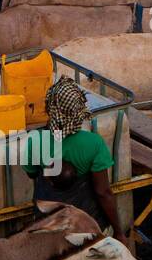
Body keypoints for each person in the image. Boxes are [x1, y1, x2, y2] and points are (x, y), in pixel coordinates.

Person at [22, 77, 127, 243]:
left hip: (47, 226)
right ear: (78, 109)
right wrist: (119, 232)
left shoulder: (34, 141)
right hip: (87, 228)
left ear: (50, 107)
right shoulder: (94, 143)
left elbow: (32, 174)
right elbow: (103, 192)